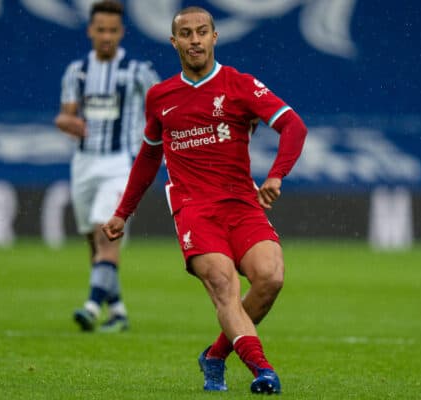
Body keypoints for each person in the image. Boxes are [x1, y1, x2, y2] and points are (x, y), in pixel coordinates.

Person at [102, 6, 307, 394]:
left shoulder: (239, 84)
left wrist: (277, 173)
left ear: (215, 37)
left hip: (242, 204)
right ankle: (263, 370)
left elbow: (293, 126)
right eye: (186, 34)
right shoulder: (161, 97)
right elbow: (148, 157)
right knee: (222, 282)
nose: (194, 40)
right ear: (173, 41)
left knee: (270, 278)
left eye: (201, 32)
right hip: (194, 210)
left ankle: (214, 355)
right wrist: (122, 213)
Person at [54, 0, 159, 333]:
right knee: (93, 240)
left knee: (105, 234)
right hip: (84, 164)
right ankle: (117, 311)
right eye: (101, 30)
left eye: (113, 31)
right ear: (90, 30)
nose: (106, 36)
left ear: (121, 32)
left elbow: (163, 104)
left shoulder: (137, 71)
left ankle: (90, 305)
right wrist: (66, 122)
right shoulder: (77, 71)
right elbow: (67, 112)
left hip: (119, 163)